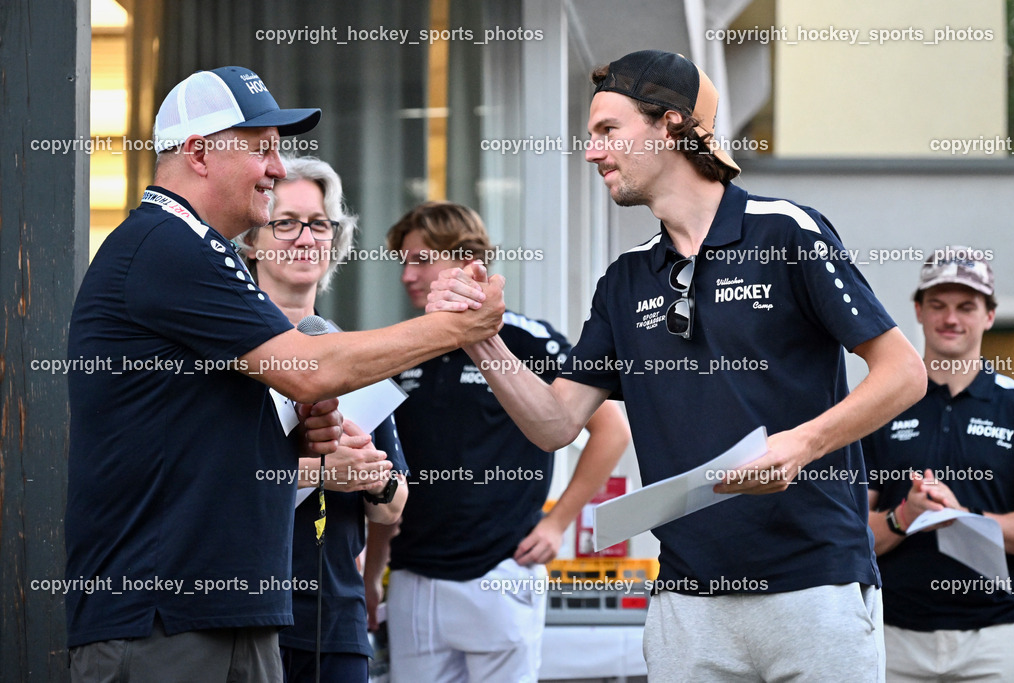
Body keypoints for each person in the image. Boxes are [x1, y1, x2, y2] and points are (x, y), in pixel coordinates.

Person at [429, 50, 928, 681]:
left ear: (670, 125)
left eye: (608, 131)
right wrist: (480, 339)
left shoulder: (787, 232)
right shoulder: (624, 279)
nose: (592, 152)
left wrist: (801, 444)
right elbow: (555, 424)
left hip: (814, 586)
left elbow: (903, 372)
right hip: (686, 602)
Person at [65, 66, 502, 682]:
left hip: (229, 614)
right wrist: (455, 329)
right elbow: (312, 369)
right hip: (165, 617)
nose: (276, 167)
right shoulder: (166, 244)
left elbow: (211, 429)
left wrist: (298, 438)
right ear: (197, 152)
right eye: (261, 148)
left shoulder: (200, 250)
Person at [367, 201, 630, 682]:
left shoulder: (528, 340)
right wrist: (373, 570)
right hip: (412, 575)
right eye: (402, 263)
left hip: (500, 569)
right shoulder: (399, 347)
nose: (407, 275)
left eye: (421, 260)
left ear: (466, 258)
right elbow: (387, 467)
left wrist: (557, 525)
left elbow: (612, 429)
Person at [236, 154, 409, 682]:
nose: (305, 237)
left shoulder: (351, 354)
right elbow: (209, 484)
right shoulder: (227, 349)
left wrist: (373, 480)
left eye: (318, 224)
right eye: (284, 222)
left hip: (335, 620)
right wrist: (319, 474)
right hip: (241, 617)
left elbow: (395, 506)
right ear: (250, 242)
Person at [863, 247, 1014, 681]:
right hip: (893, 632)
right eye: (938, 305)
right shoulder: (882, 404)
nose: (951, 318)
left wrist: (961, 517)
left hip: (997, 635)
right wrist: (905, 515)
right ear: (918, 310)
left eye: (966, 306)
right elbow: (847, 534)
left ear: (989, 315)